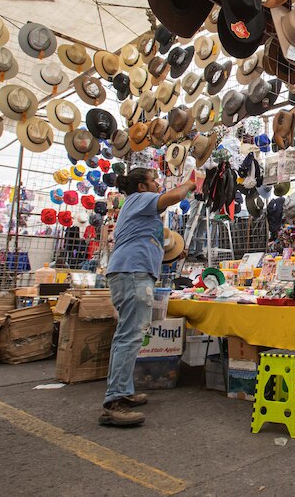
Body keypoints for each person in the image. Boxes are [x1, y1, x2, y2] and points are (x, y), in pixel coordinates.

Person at [99, 167, 196, 427]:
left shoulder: (137, 209)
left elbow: (149, 245)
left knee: (127, 335)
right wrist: (189, 183)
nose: (157, 184)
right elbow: (173, 196)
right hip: (132, 274)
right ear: (142, 186)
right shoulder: (141, 200)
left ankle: (122, 391)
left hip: (131, 273)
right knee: (129, 336)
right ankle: (114, 401)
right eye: (154, 181)